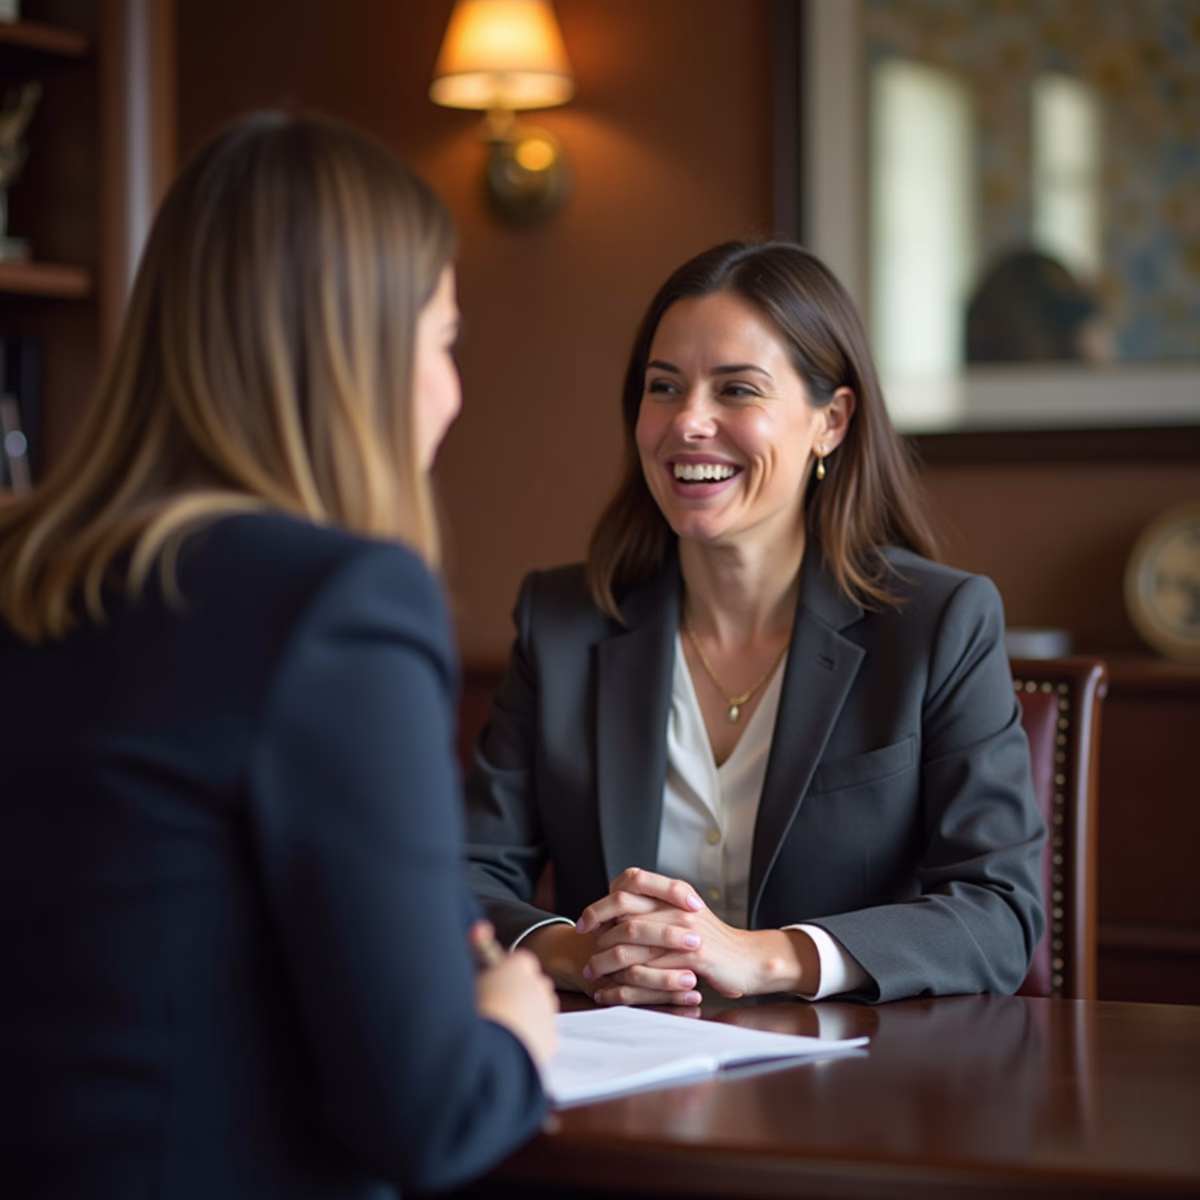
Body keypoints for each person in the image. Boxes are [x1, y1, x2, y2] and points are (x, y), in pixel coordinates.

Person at [0, 111, 557, 1199]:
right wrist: (516, 1030)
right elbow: (430, 1116)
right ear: (355, 353)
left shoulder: (25, 573)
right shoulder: (340, 606)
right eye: (445, 341)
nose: (451, 390)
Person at [465, 239, 1045, 1008]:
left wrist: (766, 958)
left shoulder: (939, 624)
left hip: (858, 1092)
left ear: (831, 422)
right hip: (619, 1079)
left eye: (737, 390)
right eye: (663, 387)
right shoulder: (561, 623)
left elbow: (1000, 912)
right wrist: (580, 954)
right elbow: (464, 874)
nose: (689, 424)